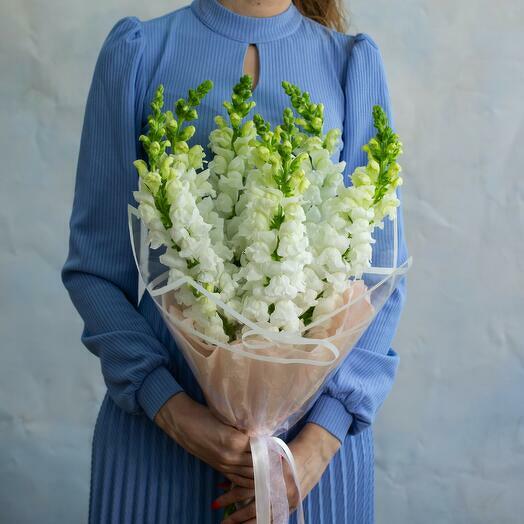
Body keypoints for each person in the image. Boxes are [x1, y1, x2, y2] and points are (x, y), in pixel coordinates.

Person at [61, 0, 408, 522]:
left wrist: (317, 445)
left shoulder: (349, 63)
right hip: (160, 443)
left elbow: (382, 279)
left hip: (316, 465)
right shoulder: (138, 52)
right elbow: (96, 269)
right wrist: (172, 410)